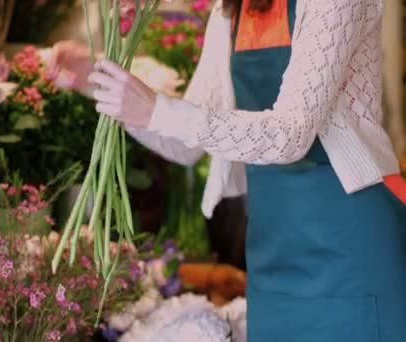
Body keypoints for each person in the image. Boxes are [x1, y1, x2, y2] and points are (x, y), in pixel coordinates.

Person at [49, 0, 406, 340]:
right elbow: (186, 144)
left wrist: (158, 109)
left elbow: (289, 135)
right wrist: (97, 81)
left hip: (351, 247)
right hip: (274, 249)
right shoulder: (231, 11)